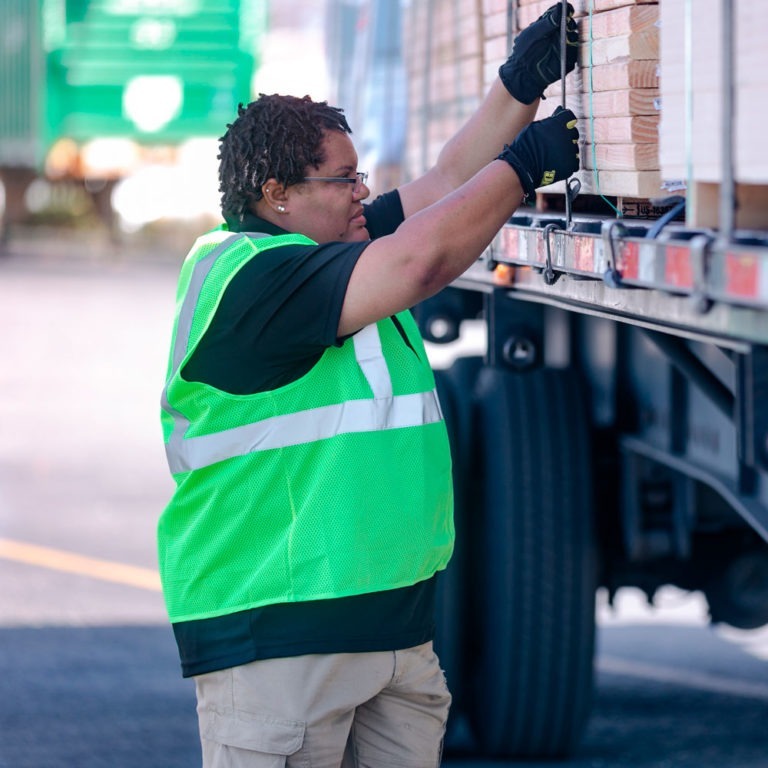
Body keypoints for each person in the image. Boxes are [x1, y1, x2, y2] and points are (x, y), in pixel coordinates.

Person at [158, 4, 579, 766]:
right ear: (278, 193)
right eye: (343, 179)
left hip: (391, 636)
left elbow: (446, 184)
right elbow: (424, 259)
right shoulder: (251, 281)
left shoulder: (334, 250)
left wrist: (521, 85)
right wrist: (525, 170)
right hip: (283, 646)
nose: (363, 192)